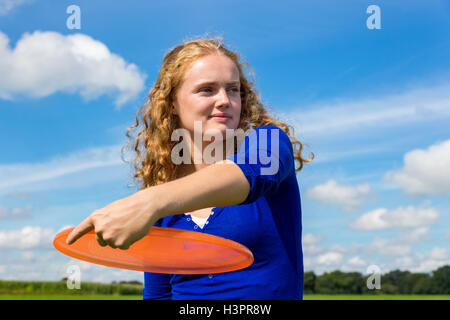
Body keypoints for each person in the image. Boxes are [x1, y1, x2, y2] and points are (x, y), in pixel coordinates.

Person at [66, 36, 313, 300]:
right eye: (207, 90)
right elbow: (158, 295)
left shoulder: (270, 141)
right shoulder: (163, 199)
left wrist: (149, 203)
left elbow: (253, 173)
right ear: (172, 103)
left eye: (233, 89)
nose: (224, 100)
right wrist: (153, 202)